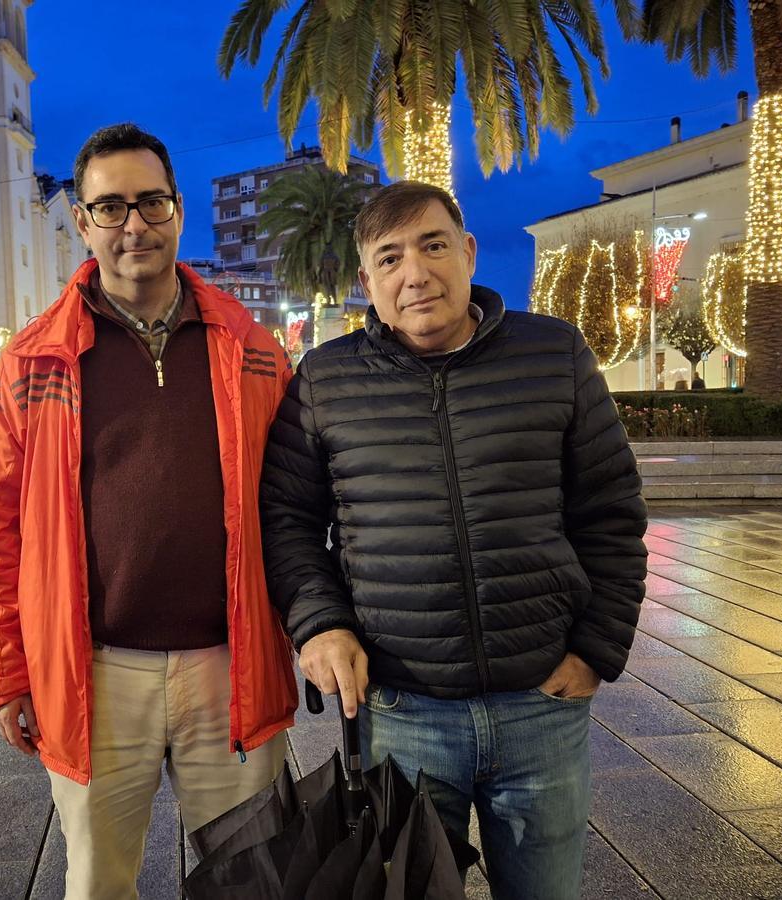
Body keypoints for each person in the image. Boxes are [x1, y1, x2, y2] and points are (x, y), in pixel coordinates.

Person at [260, 180, 648, 899]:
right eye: (389, 257)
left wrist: (598, 648)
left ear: (467, 251)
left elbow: (612, 514)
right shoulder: (327, 380)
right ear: (367, 280)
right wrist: (319, 626)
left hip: (542, 707)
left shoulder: (553, 354)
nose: (415, 273)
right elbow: (286, 520)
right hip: (402, 713)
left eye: (433, 245)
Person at [0, 123, 297, 900]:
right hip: (95, 673)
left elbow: (296, 501)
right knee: (99, 883)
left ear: (179, 211)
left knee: (249, 881)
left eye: (151, 203)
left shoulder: (251, 349)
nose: (133, 224)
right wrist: (6, 671)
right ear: (82, 222)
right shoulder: (33, 360)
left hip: (230, 666)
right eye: (110, 207)